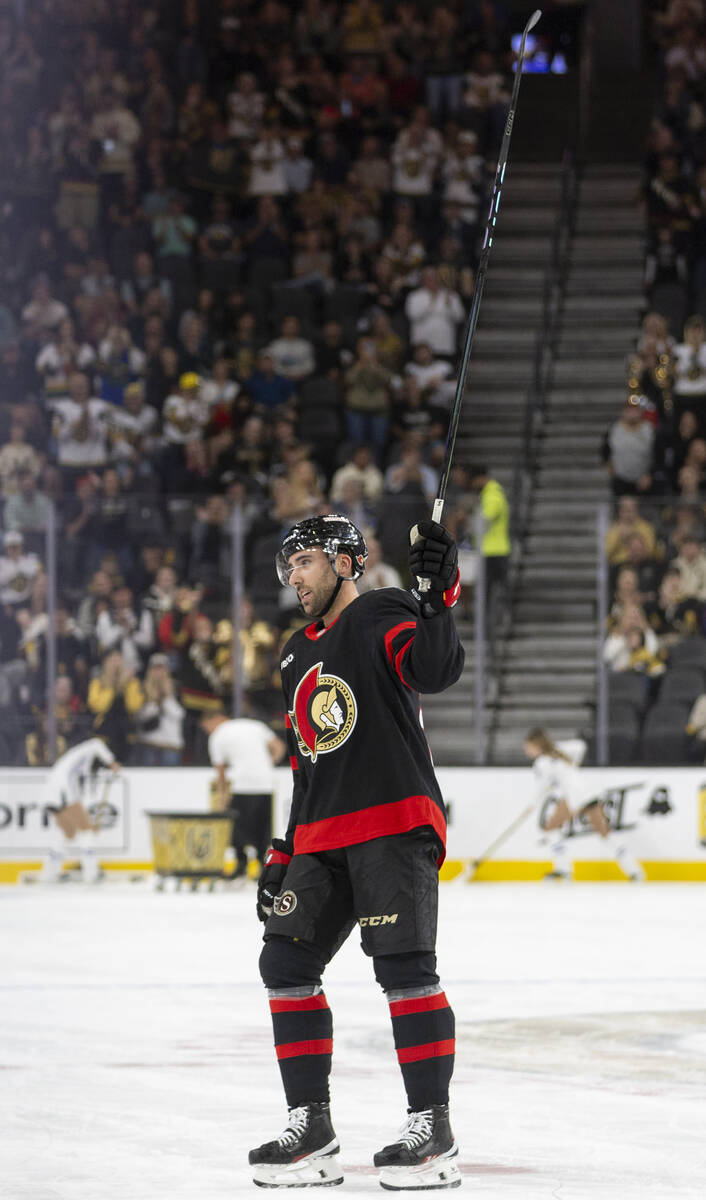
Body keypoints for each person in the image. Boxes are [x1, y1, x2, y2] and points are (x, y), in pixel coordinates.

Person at [249, 514, 464, 1189]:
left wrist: (438, 597)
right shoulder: (291, 652)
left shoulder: (381, 611)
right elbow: (304, 761)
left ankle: (432, 1130)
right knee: (284, 960)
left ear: (345, 563)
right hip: (320, 833)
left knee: (404, 970)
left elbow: (433, 667)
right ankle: (310, 1129)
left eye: (306, 560)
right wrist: (284, 848)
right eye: (289, 565)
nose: (294, 575)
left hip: (391, 822)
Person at [522, 729, 645, 883]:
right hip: (589, 792)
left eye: (528, 747)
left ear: (536, 745)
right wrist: (567, 758)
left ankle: (563, 869)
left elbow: (541, 787)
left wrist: (531, 806)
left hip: (574, 798)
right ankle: (634, 870)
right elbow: (579, 746)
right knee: (604, 832)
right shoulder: (559, 753)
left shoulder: (541, 762)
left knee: (551, 829)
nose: (526, 751)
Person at [201, 706, 285, 876]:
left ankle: (241, 864)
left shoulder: (218, 736)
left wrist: (223, 796)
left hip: (241, 786)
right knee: (262, 828)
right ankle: (263, 866)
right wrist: (268, 765)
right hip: (265, 784)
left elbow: (221, 772)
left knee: (238, 830)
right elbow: (279, 747)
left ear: (213, 720)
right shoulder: (255, 726)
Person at [41, 736, 121, 884]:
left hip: (51, 795)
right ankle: (91, 874)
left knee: (68, 833)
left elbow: (76, 790)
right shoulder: (85, 750)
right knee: (86, 832)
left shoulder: (74, 761)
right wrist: (112, 762)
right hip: (61, 795)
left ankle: (50, 873)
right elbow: (96, 743)